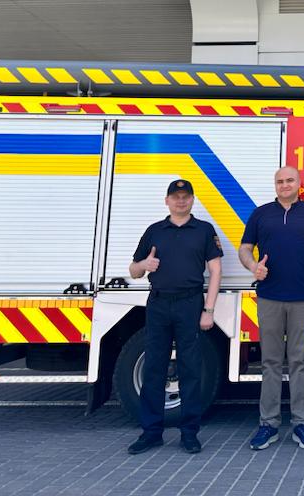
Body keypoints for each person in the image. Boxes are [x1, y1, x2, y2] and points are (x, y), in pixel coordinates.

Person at [239, 166, 304, 451]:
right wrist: (253, 266)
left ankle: (301, 424)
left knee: (299, 362)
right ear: (275, 185)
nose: (284, 185)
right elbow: (244, 248)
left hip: (303, 299)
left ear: (299, 183)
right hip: (269, 298)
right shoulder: (261, 214)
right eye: (279, 181)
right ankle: (268, 424)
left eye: (289, 180)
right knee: (270, 362)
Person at [127, 179, 223, 455]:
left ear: (192, 200)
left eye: (185, 196)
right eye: (176, 196)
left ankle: (189, 433)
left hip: (190, 303)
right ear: (167, 201)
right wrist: (144, 264)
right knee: (154, 368)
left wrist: (209, 310)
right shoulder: (154, 231)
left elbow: (216, 271)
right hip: (158, 304)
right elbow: (133, 270)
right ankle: (151, 433)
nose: (181, 200)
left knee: (190, 369)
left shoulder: (204, 230)